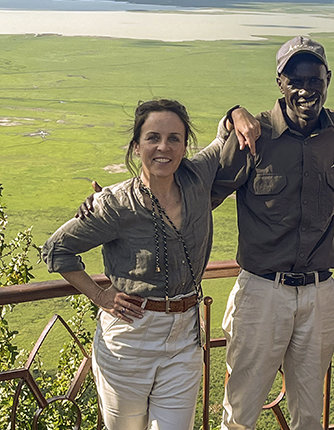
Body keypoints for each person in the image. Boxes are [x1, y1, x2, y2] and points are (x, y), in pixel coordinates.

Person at [42, 98, 258, 430]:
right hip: (130, 337)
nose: (164, 147)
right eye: (153, 137)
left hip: (184, 335)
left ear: (185, 145)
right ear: (136, 146)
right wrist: (100, 297)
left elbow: (223, 137)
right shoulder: (115, 204)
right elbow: (56, 250)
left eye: (175, 138)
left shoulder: (197, 176)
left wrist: (235, 112)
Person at [212, 36, 334, 430]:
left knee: (310, 416)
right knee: (240, 414)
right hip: (263, 292)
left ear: (328, 79)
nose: (306, 89)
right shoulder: (252, 136)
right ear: (280, 82)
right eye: (295, 80)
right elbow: (202, 194)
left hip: (318, 295)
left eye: (314, 79)